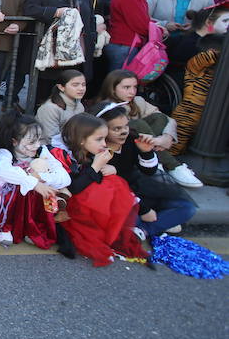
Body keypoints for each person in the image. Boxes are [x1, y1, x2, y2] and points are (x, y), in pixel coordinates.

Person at [52, 113, 148, 267]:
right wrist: (96, 167)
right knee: (108, 187)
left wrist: (108, 168)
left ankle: (112, 230)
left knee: (113, 183)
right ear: (82, 140)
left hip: (78, 197)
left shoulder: (89, 152)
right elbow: (73, 187)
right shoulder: (61, 154)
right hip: (62, 201)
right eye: (99, 139)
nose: (104, 144)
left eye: (104, 139)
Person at [93, 102, 196, 238]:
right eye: (116, 129)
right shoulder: (98, 150)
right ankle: (154, 224)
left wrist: (146, 151)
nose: (124, 131)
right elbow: (113, 190)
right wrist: (144, 210)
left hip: (140, 190)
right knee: (131, 219)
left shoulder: (131, 140)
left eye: (125, 126)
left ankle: (144, 230)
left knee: (187, 208)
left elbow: (149, 171)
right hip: (120, 199)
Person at [97, 69, 201, 188]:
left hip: (144, 144)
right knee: (137, 124)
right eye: (126, 87)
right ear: (113, 88)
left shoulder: (138, 101)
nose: (132, 91)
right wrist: (155, 141)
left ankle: (158, 159)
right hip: (123, 148)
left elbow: (167, 119)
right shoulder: (104, 107)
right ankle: (173, 165)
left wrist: (165, 138)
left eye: (135, 87)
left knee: (159, 117)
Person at [0, 112, 71, 249]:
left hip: (32, 199)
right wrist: (33, 183)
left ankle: (32, 228)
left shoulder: (42, 151)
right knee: (14, 186)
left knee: (44, 189)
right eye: (32, 141)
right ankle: (4, 227)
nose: (37, 145)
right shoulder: (6, 153)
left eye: (39, 139)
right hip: (7, 201)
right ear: (14, 141)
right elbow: (3, 172)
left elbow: (64, 177)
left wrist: (41, 178)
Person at [24, 0, 95, 102]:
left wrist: (92, 38)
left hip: (78, 47)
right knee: (49, 89)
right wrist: (55, 12)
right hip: (52, 50)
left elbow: (90, 18)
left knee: (74, 84)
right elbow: (30, 9)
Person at [169, 33, 223, 160]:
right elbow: (204, 57)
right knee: (174, 148)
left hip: (208, 121)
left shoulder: (219, 74)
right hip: (186, 117)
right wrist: (222, 52)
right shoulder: (195, 68)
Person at [104, 0, 162, 71]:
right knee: (120, 83)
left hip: (125, 45)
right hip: (125, 46)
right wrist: (159, 29)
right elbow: (140, 24)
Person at [35, 69, 86, 144]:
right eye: (75, 85)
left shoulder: (79, 106)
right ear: (61, 87)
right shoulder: (50, 108)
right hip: (46, 149)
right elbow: (52, 139)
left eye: (83, 84)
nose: (81, 88)